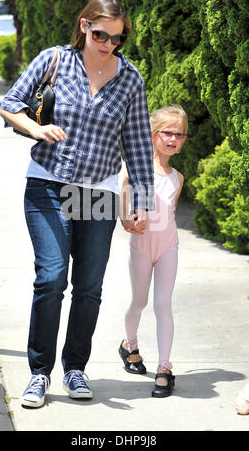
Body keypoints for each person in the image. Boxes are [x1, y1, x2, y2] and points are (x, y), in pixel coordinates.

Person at [0, 0, 154, 408]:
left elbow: (138, 143)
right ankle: (39, 373)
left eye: (117, 39)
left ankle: (74, 368)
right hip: (49, 184)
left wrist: (141, 201)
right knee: (51, 278)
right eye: (101, 34)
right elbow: (10, 104)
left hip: (99, 190)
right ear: (85, 25)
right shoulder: (54, 60)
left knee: (88, 286)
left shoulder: (130, 79)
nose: (108, 44)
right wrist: (36, 129)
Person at [119, 105, 188, 398]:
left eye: (180, 134)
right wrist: (125, 216)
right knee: (139, 301)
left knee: (163, 305)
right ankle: (129, 344)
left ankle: (164, 367)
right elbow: (123, 187)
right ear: (152, 135)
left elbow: (169, 212)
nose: (173, 139)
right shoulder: (137, 169)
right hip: (141, 247)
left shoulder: (178, 178)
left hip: (168, 247)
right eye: (167, 132)